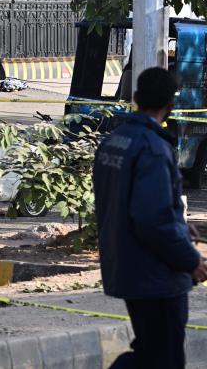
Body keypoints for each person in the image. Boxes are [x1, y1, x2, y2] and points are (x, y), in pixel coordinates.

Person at [93, 67, 207, 369]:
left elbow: (130, 203)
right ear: (170, 105)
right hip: (156, 277)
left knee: (149, 353)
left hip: (128, 267)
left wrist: (180, 224)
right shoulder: (153, 149)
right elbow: (153, 220)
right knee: (163, 358)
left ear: (135, 97)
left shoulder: (115, 141)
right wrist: (190, 261)